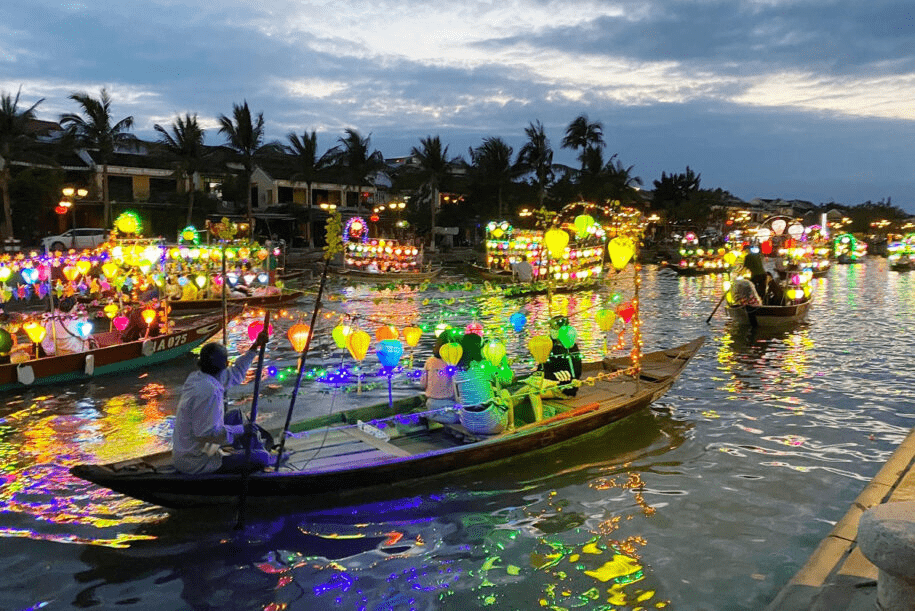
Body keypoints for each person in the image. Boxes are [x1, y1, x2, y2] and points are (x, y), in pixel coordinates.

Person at [172, 336, 274, 474]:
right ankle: (254, 455)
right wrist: (241, 429)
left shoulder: (198, 377)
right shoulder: (210, 391)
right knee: (263, 457)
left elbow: (236, 373)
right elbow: (206, 433)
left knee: (235, 415)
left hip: (199, 447)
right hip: (198, 460)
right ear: (225, 364)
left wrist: (254, 348)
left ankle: (249, 451)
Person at [540, 315, 582, 397]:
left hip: (563, 388)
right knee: (529, 388)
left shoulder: (570, 347)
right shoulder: (550, 345)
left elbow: (575, 372)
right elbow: (542, 368)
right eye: (550, 328)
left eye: (553, 328)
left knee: (532, 392)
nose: (550, 330)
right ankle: (508, 404)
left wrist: (551, 378)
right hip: (548, 382)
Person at [421, 336, 456, 410]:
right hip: (449, 403)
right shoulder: (453, 363)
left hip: (430, 402)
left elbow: (423, 384)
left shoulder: (429, 361)